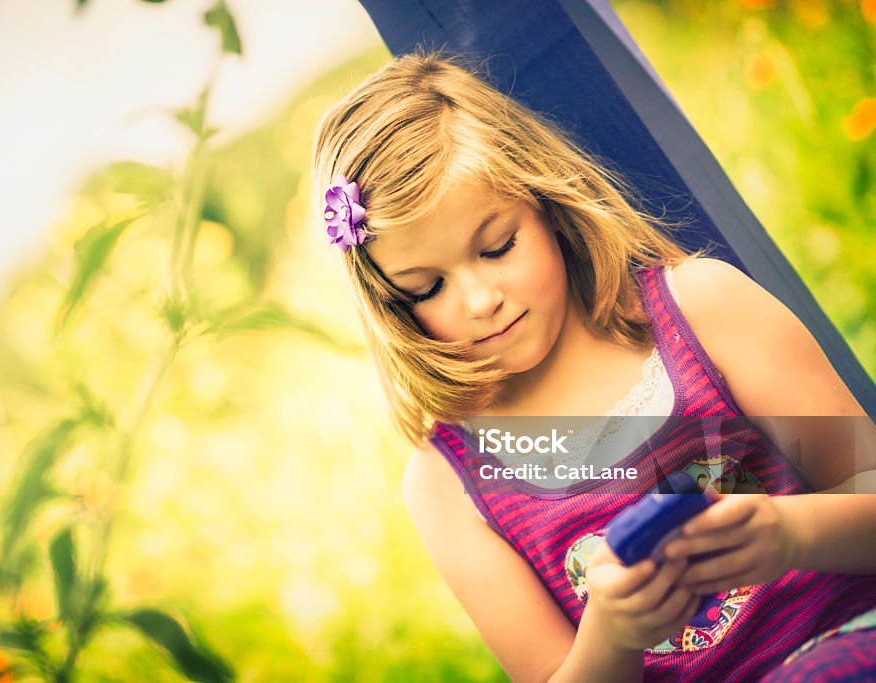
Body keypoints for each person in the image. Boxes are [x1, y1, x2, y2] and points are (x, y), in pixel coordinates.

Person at [310, 52, 876, 682]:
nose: (479, 300)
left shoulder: (701, 310)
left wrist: (788, 534)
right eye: (425, 287)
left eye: (497, 246)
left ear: (545, 201)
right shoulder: (447, 484)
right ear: (392, 303)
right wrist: (614, 635)